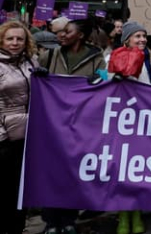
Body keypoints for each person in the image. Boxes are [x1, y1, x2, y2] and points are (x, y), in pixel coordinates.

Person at [39, 19, 106, 234]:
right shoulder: (50, 55)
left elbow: (105, 82)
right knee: (52, 173)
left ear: (80, 35)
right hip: (52, 123)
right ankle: (50, 220)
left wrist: (99, 79)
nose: (62, 35)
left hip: (81, 125)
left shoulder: (96, 58)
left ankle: (69, 218)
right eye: (61, 32)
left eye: (68, 31)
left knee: (74, 173)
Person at [109, 22, 151, 234]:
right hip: (120, 123)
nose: (142, 40)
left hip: (141, 122)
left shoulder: (148, 61)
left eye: (144, 36)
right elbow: (104, 84)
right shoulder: (112, 57)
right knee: (121, 170)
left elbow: (150, 89)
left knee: (138, 169)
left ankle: (136, 211)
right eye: (137, 36)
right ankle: (123, 215)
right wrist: (113, 76)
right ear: (126, 39)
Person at [0, 22, 38, 234]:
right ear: (1, 40)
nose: (15, 43)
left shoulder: (31, 61)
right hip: (3, 138)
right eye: (10, 38)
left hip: (27, 135)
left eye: (19, 39)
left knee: (20, 191)